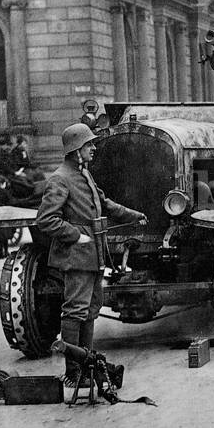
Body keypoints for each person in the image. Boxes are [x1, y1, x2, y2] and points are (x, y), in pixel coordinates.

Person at [36, 123, 146, 397]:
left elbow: (105, 205)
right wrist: (75, 235)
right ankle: (73, 373)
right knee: (75, 310)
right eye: (89, 145)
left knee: (91, 309)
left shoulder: (84, 175)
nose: (94, 148)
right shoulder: (60, 178)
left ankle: (85, 366)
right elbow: (46, 220)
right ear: (75, 151)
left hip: (94, 252)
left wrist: (135, 216)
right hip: (77, 255)